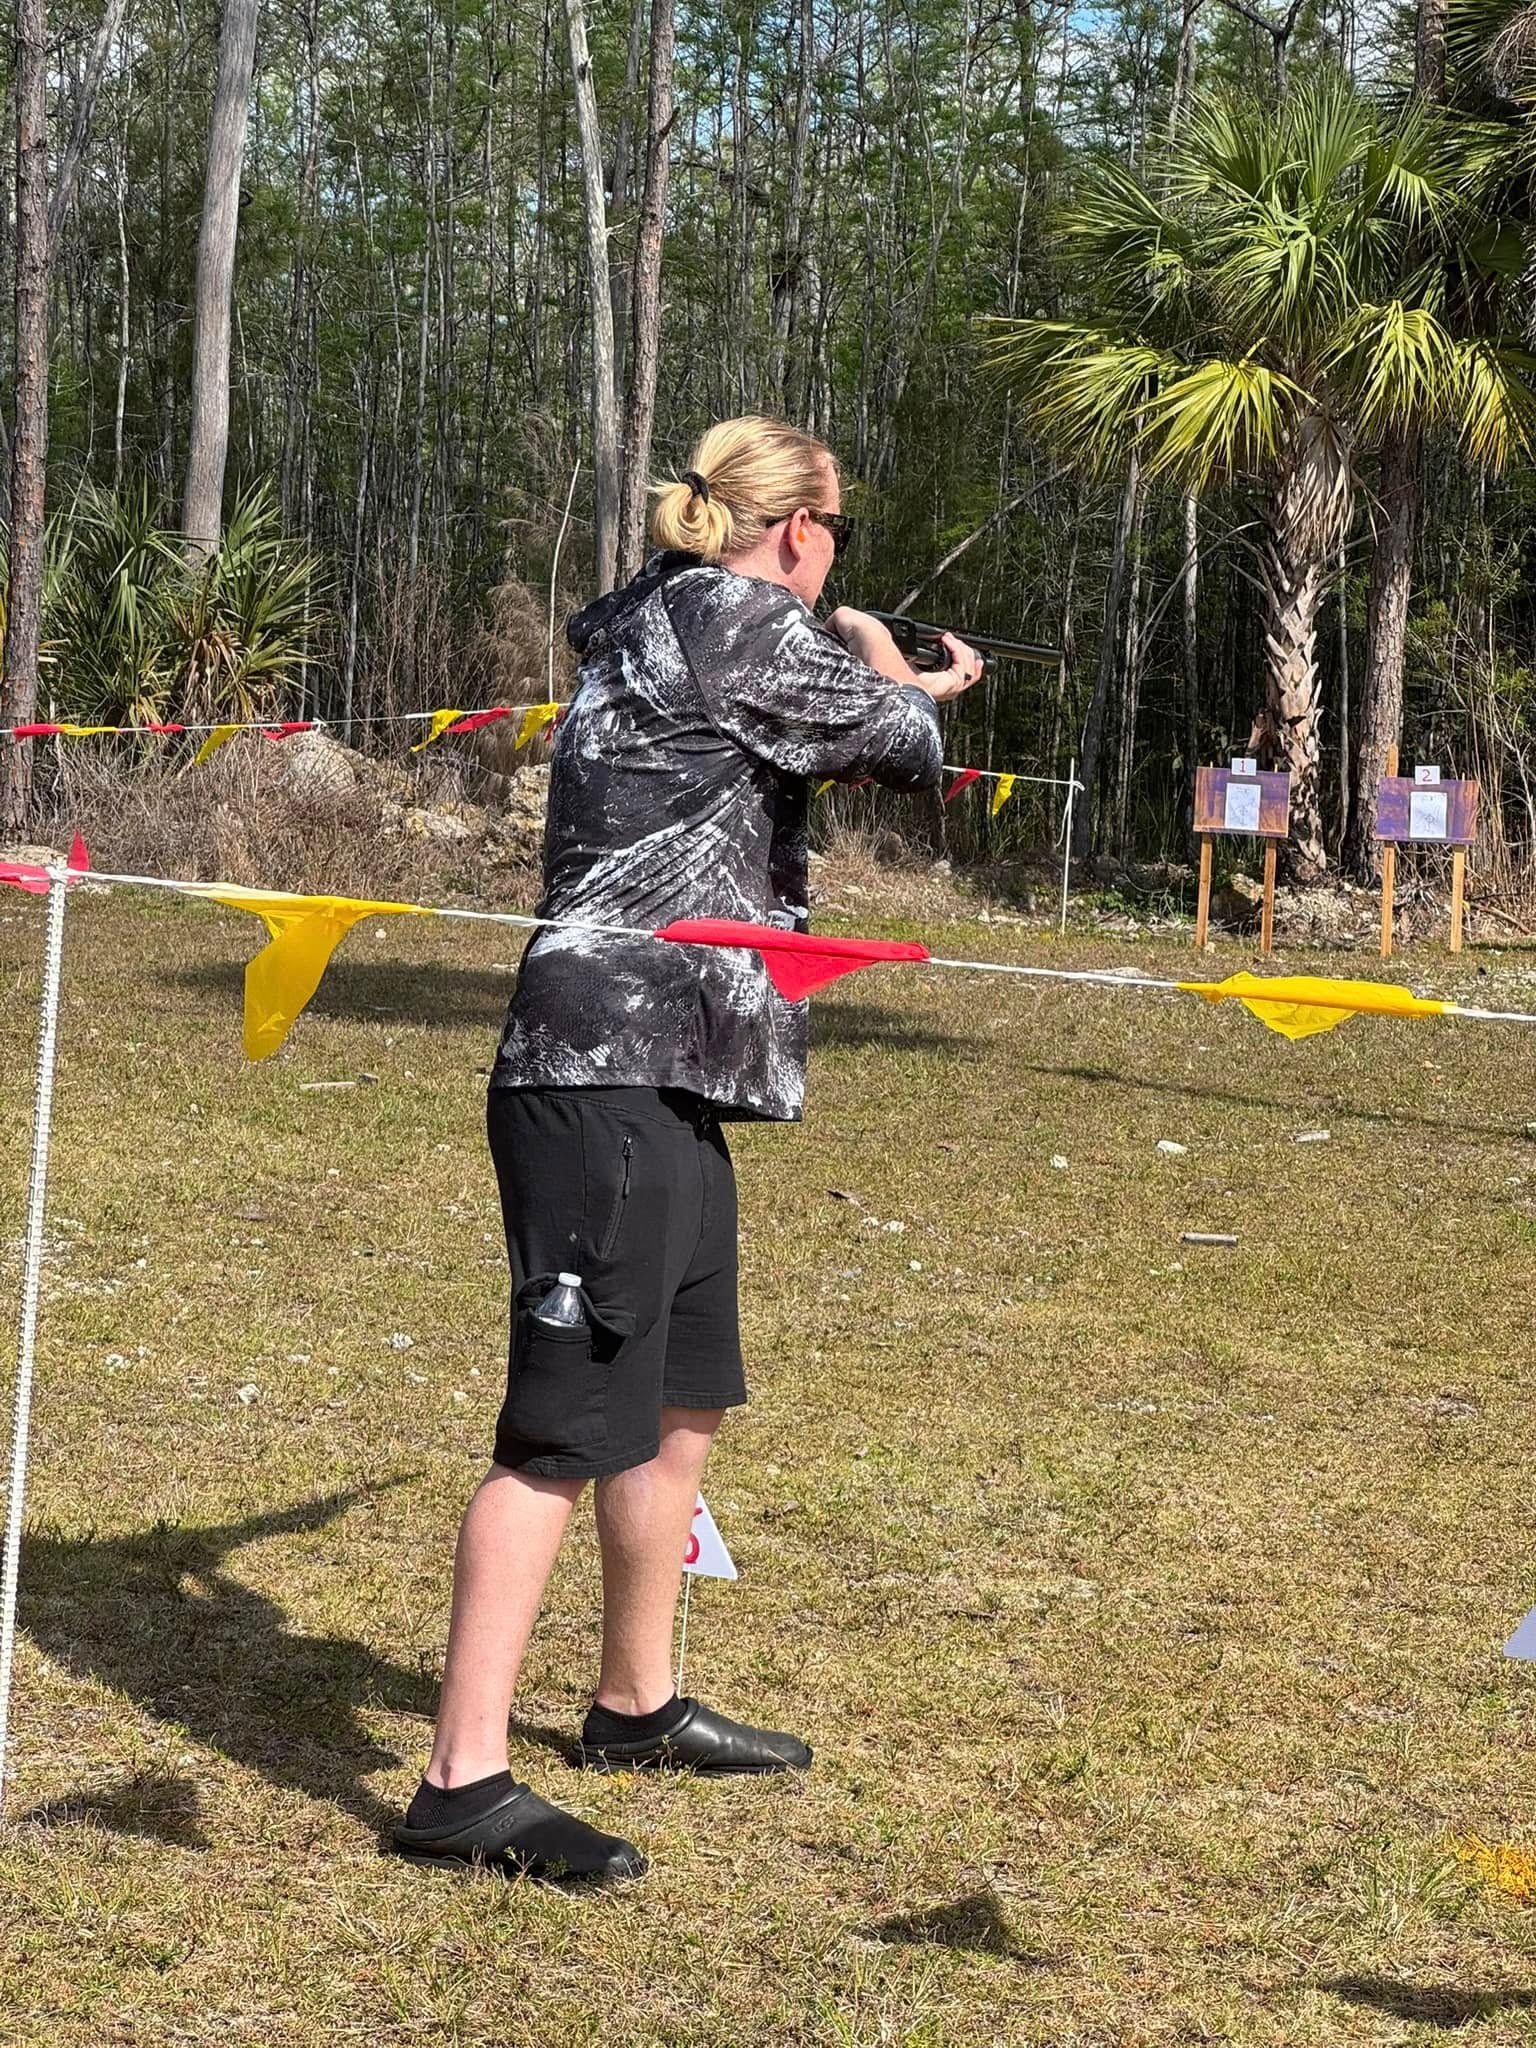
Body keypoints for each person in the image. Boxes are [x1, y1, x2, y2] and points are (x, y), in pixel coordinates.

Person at [393, 415, 984, 1884]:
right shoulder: (731, 616)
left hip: (672, 1071)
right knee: (561, 1426)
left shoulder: (666, 616)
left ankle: (632, 1702)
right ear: (797, 533)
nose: (837, 561)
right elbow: (909, 747)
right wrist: (899, 667)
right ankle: (462, 1781)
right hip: (604, 1066)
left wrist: (850, 653)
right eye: (836, 538)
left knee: (677, 1395)